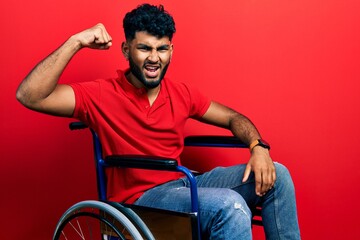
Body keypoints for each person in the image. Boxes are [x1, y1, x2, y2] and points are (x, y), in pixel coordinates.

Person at [16, 3, 300, 239]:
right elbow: (29, 95)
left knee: (279, 175)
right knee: (231, 206)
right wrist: (76, 41)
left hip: (182, 185)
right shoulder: (100, 94)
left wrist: (257, 146)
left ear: (171, 51)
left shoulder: (182, 94)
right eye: (144, 49)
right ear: (127, 50)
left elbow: (234, 117)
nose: (154, 58)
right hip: (141, 200)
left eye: (162, 49)